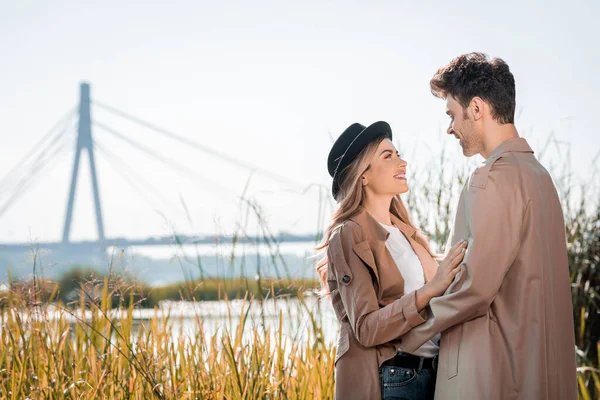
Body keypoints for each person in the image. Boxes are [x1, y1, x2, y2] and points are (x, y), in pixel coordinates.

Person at [397, 52, 578, 400]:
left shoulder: (489, 179)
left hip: (489, 376)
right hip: (541, 375)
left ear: (477, 109)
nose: (450, 128)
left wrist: (411, 333)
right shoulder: (542, 179)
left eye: (452, 114)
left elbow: (473, 289)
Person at [316, 121, 468, 399]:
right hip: (394, 378)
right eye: (389, 156)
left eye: (398, 154)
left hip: (434, 373)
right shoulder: (349, 234)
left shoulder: (407, 233)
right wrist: (428, 292)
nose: (403, 163)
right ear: (363, 175)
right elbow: (366, 328)